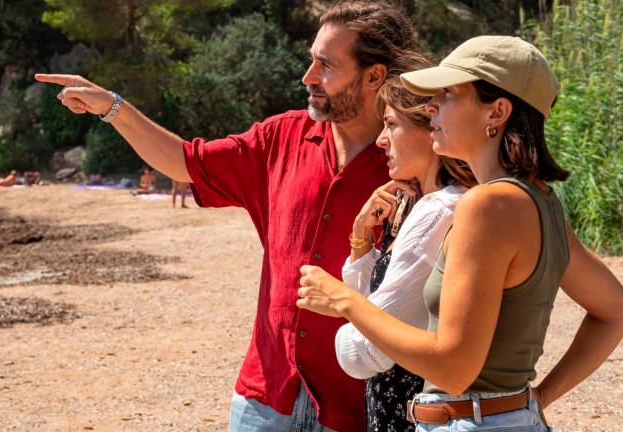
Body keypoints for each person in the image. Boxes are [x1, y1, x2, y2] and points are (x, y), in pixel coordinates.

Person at [35, 2, 421, 430]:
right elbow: (186, 162)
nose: (307, 77)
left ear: (374, 76)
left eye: (325, 65)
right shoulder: (279, 138)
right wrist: (112, 107)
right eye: (311, 60)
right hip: (264, 399)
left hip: (357, 408)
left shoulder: (414, 164)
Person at [297, 36, 623, 431]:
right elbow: (616, 312)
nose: (431, 107)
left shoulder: (486, 207)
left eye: (448, 94)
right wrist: (537, 398)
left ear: (497, 112)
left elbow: (453, 368)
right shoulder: (540, 203)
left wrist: (343, 301)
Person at [338, 72, 475, 432]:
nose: (381, 141)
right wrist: (361, 239)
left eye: (391, 125)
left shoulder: (439, 212)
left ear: (430, 128)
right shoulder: (414, 205)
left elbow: (362, 353)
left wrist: (339, 303)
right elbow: (376, 310)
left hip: (412, 418)